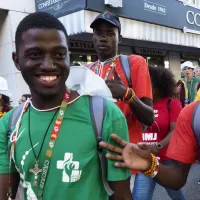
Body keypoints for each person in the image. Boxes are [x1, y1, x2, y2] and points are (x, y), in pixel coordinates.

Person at [0, 12, 132, 200]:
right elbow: (6, 194)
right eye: (35, 54)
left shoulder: (105, 115)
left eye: (59, 54)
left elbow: (122, 196)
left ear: (69, 57)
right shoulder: (9, 124)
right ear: (17, 61)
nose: (48, 65)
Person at [88, 10, 154, 187]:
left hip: (123, 157)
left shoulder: (134, 63)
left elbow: (149, 118)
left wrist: (127, 95)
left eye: (110, 33)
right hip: (92, 160)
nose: (103, 38)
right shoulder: (87, 70)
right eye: (98, 33)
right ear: (92, 37)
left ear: (120, 38)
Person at [99, 100, 200, 192]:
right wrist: (149, 164)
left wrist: (157, 147)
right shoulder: (192, 114)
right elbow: (178, 177)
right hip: (152, 158)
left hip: (166, 156)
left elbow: (172, 130)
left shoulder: (174, 104)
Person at [133, 66, 184, 200]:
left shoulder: (172, 104)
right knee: (140, 197)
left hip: (166, 161)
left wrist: (157, 147)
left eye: (149, 85)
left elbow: (175, 130)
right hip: (144, 160)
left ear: (160, 88)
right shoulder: (138, 104)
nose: (144, 88)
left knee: (177, 195)